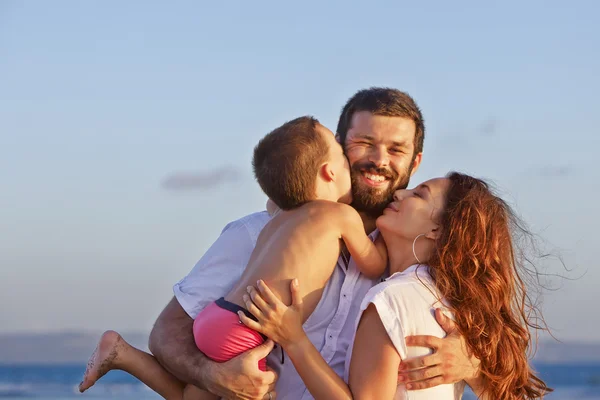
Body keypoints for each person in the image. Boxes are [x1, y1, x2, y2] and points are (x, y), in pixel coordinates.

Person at [87, 88, 482, 400]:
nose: (379, 160)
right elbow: (166, 334)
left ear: (414, 163)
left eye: (396, 150)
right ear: (339, 149)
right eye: (365, 143)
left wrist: (472, 364)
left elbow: (508, 377)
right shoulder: (254, 232)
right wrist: (213, 374)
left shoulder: (417, 267)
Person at [79, 116, 390, 400]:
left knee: (197, 395)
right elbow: (374, 264)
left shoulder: (278, 216)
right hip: (248, 331)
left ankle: (124, 355)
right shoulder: (341, 215)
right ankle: (124, 356)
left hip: (221, 316)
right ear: (330, 172)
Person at [240, 173, 553, 399]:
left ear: (437, 228)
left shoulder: (392, 297)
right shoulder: (446, 304)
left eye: (418, 195)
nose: (400, 194)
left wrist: (293, 339)